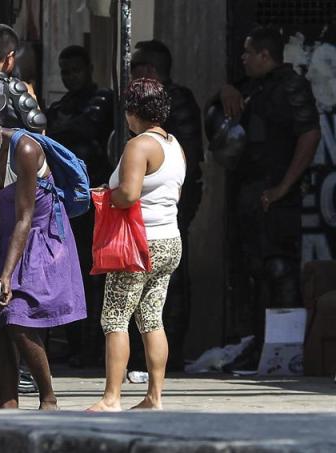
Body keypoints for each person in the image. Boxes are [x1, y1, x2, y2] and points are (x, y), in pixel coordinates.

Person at [0, 86, 87, 410]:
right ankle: (6, 404)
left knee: (19, 318)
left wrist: (6, 275)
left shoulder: (23, 149)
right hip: (9, 237)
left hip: (40, 234)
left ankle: (48, 398)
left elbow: (25, 217)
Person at [211, 26, 320, 371]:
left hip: (277, 197)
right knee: (254, 273)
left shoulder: (291, 86)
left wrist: (284, 187)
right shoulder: (251, 87)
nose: (242, 58)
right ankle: (259, 346)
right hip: (250, 196)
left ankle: (285, 354)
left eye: (248, 52)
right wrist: (225, 89)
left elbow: (310, 135)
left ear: (264, 55)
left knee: (280, 272)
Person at [88, 78, 185, 411]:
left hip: (139, 246)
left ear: (133, 111)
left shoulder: (139, 145)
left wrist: (104, 196)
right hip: (170, 241)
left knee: (115, 319)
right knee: (152, 318)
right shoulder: (174, 145)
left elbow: (128, 194)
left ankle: (111, 398)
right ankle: (154, 397)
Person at [130, 40, 204, 371]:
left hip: (166, 206)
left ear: (151, 70)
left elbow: (186, 157)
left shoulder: (176, 102)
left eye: (138, 67)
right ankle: (142, 358)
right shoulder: (138, 104)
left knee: (167, 284)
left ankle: (168, 357)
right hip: (141, 206)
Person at [46, 45, 114, 368]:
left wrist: (64, 125)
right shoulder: (62, 106)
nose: (70, 77)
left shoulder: (102, 100)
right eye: (65, 71)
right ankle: (76, 345)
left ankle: (92, 346)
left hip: (96, 198)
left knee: (94, 273)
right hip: (66, 201)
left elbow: (86, 128)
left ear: (88, 68)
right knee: (71, 272)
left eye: (75, 70)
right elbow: (49, 133)